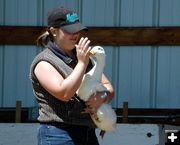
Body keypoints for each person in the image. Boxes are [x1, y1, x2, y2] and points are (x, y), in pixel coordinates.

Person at [29, 7, 114, 145]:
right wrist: (81, 63)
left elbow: (108, 88)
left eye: (77, 30)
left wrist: (102, 98)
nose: (75, 34)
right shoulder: (44, 62)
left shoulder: (83, 57)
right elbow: (64, 93)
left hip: (88, 133)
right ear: (53, 31)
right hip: (58, 134)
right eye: (69, 30)